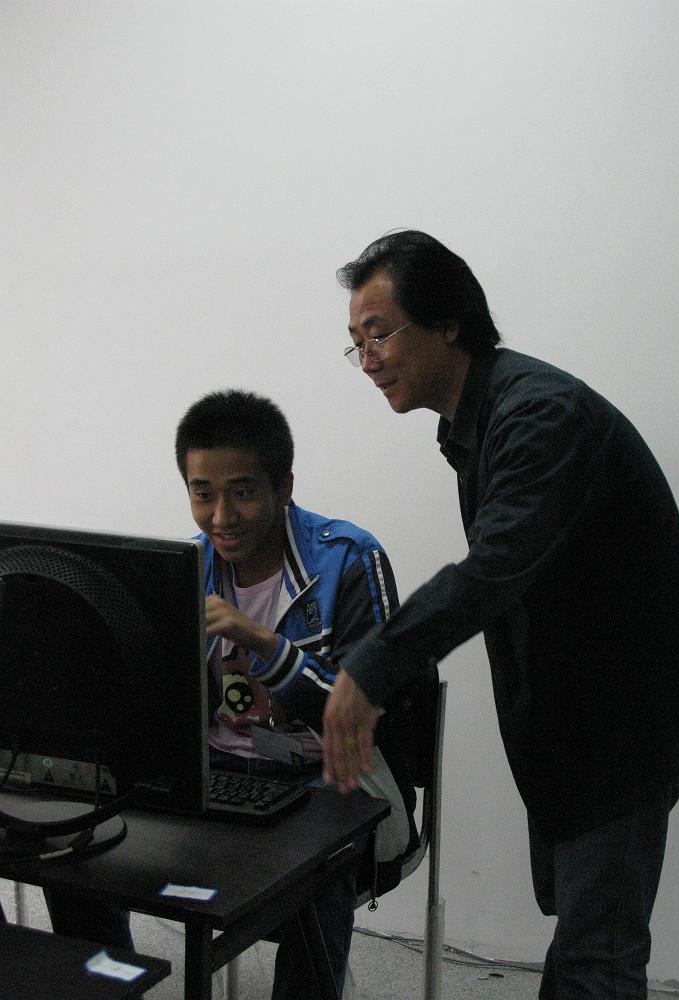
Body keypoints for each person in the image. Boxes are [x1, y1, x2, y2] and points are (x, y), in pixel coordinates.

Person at [322, 230, 679, 1000]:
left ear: (448, 322)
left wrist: (370, 669)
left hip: (625, 723)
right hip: (579, 716)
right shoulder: (479, 419)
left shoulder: (541, 415)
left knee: (598, 956)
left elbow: (492, 571)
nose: (369, 358)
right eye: (357, 343)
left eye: (379, 333)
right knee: (587, 940)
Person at [46, 388, 418, 1000]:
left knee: (320, 866)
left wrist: (263, 643)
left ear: (283, 486)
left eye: (242, 493)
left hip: (328, 776)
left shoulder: (349, 560)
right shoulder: (186, 569)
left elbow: (372, 713)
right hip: (213, 772)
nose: (221, 516)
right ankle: (110, 987)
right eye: (202, 494)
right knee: (75, 835)